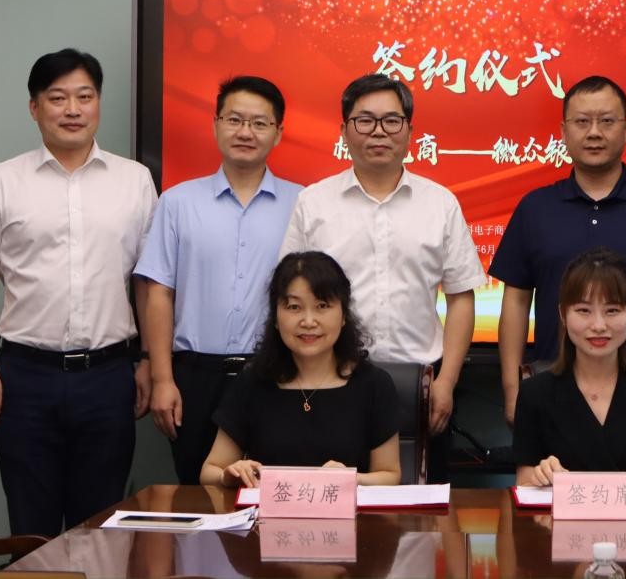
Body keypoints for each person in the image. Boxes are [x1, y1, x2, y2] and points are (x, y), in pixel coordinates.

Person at [0, 48, 157, 536]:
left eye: (84, 97)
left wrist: (150, 360)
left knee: (100, 526)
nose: (73, 110)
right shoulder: (1, 182)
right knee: (31, 525)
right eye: (58, 98)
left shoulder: (134, 181)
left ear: (98, 103)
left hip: (108, 376)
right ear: (34, 107)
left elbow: (148, 280)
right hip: (25, 378)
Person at [279, 73, 485, 482]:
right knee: (335, 496)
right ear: (344, 130)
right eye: (365, 120)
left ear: (409, 130)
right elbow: (289, 294)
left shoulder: (440, 203)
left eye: (391, 121)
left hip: (422, 381)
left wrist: (446, 381)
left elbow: (461, 296)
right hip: (334, 381)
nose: (378, 132)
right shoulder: (313, 203)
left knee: (421, 503)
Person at [490, 75, 626, 425]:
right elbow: (515, 302)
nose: (594, 133)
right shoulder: (535, 207)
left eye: (606, 121)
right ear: (564, 132)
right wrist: (513, 389)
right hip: (552, 391)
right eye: (582, 122)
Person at [133, 76, 302, 484]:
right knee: (199, 491)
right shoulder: (177, 202)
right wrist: (162, 378)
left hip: (276, 374)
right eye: (235, 119)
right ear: (215, 124)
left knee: (273, 495)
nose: (246, 132)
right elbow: (159, 293)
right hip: (195, 377)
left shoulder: (302, 203)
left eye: (259, 123)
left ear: (279, 133)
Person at [200, 251, 401, 487]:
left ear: (344, 315)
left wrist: (350, 480)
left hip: (350, 511)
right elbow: (209, 471)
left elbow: (390, 475)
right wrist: (229, 474)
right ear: (276, 317)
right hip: (269, 511)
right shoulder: (253, 382)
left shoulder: (373, 384)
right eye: (294, 307)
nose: (308, 321)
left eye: (322, 305)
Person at [513, 247, 626, 487]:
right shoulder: (534, 392)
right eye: (583, 311)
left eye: (612, 311)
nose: (598, 325)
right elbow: (524, 484)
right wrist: (540, 476)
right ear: (563, 314)